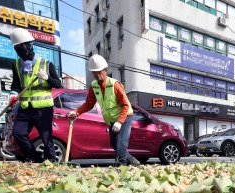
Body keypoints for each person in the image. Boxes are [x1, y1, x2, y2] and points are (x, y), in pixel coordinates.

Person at [67, 55, 140, 166]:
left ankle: (121, 169)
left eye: (99, 72)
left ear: (105, 70)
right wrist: (76, 112)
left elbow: (125, 105)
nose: (97, 75)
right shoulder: (93, 86)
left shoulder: (115, 85)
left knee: (121, 143)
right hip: (111, 119)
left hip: (125, 116)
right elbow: (89, 104)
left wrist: (120, 122)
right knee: (113, 143)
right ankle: (131, 160)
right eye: (94, 72)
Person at [9, 28, 62, 162]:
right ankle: (36, 159)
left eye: (21, 46)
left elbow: (58, 84)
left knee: (46, 137)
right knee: (18, 133)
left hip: (43, 109)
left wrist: (46, 77)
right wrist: (13, 94)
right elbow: (15, 84)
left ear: (29, 45)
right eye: (16, 47)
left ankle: (52, 162)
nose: (19, 49)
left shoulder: (46, 63)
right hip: (25, 108)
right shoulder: (16, 64)